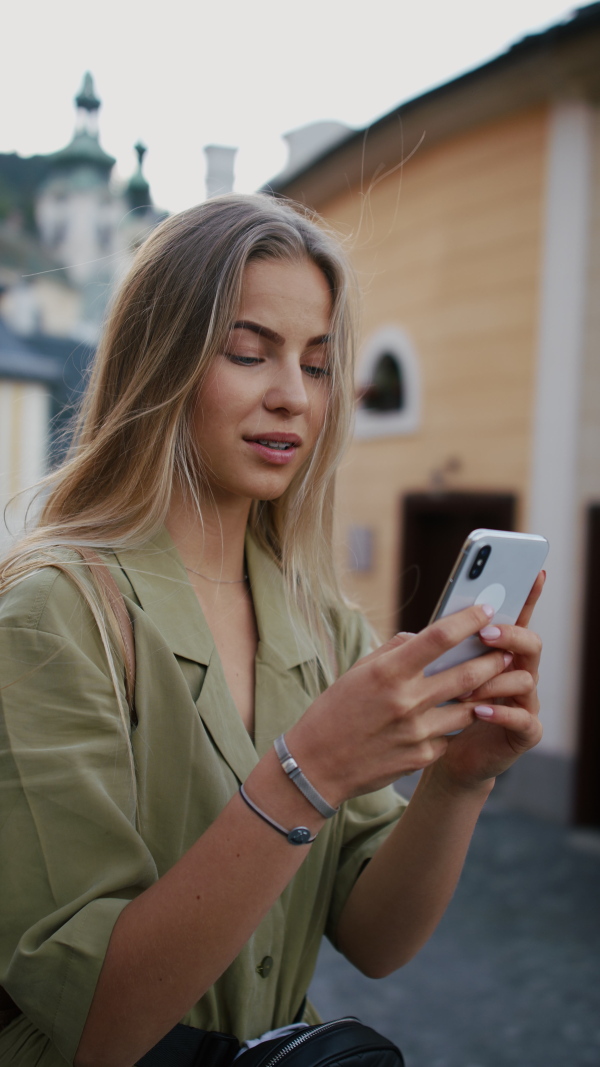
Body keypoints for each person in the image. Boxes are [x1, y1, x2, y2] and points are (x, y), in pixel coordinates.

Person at [0, 194, 544, 1067]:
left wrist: (457, 786)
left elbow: (374, 938)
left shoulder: (324, 624)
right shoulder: (54, 618)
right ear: (161, 364)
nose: (293, 396)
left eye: (321, 366)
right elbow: (94, 1025)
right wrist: (310, 771)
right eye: (250, 354)